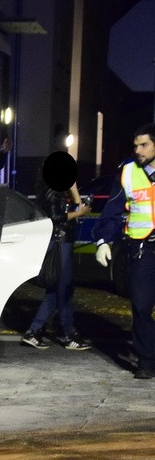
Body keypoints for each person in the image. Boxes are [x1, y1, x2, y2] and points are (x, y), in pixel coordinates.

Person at [94, 123, 155, 378]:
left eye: (144, 145)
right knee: (141, 307)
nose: (138, 149)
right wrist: (102, 241)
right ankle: (147, 361)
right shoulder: (127, 172)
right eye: (136, 145)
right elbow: (112, 210)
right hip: (141, 248)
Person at [21, 170, 92, 351]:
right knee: (64, 290)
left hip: (60, 242)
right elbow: (56, 217)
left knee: (54, 292)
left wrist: (75, 194)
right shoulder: (52, 191)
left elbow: (76, 203)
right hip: (60, 244)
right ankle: (69, 334)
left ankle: (34, 331)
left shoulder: (53, 190)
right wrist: (79, 212)